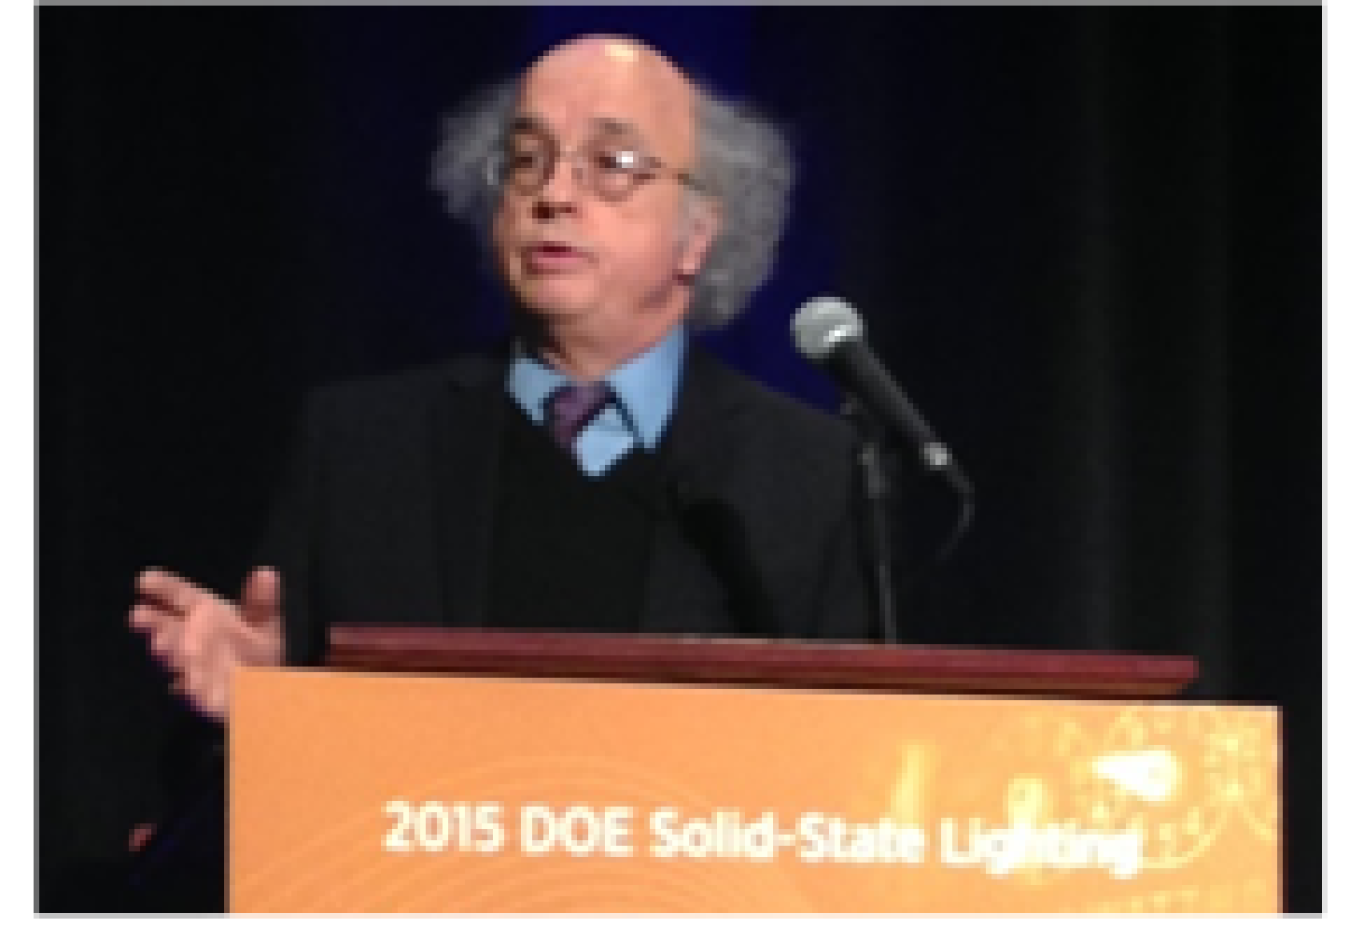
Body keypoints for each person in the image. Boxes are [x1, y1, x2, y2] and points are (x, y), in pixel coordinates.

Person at [128, 34, 876, 725]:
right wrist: (262, 707)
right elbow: (268, 785)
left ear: (699, 233)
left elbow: (853, 779)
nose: (553, 194)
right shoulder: (359, 450)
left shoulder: (810, 474)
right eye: (527, 160)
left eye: (610, 166)